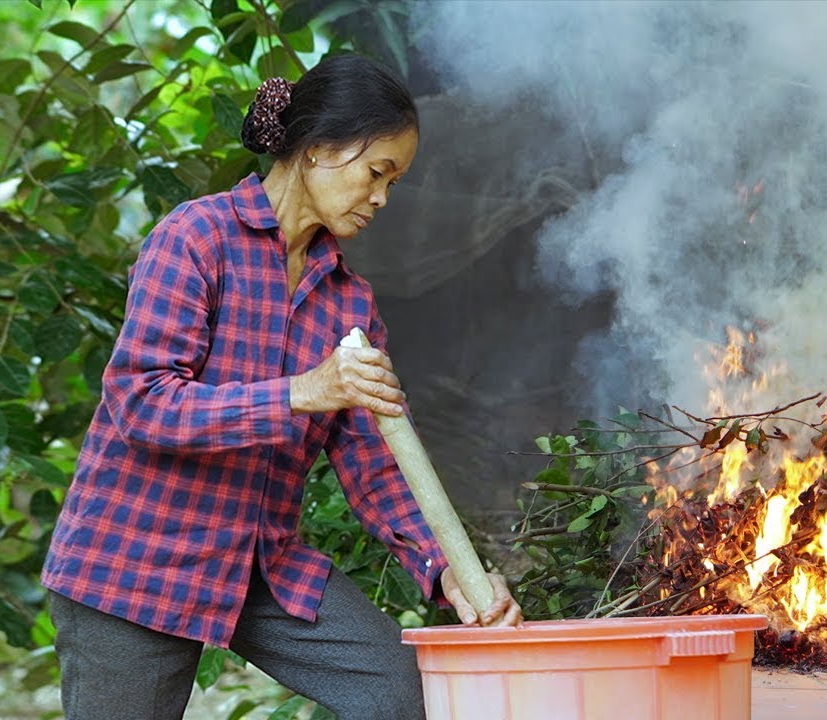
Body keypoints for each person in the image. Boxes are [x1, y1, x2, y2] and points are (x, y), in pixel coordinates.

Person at [41, 53, 522, 720]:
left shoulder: (350, 302)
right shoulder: (195, 237)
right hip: (134, 561)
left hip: (259, 563)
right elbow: (142, 402)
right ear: (319, 147)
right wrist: (301, 392)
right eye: (376, 172)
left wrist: (447, 570)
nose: (382, 198)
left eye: (393, 182)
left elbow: (379, 464)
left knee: (403, 691)